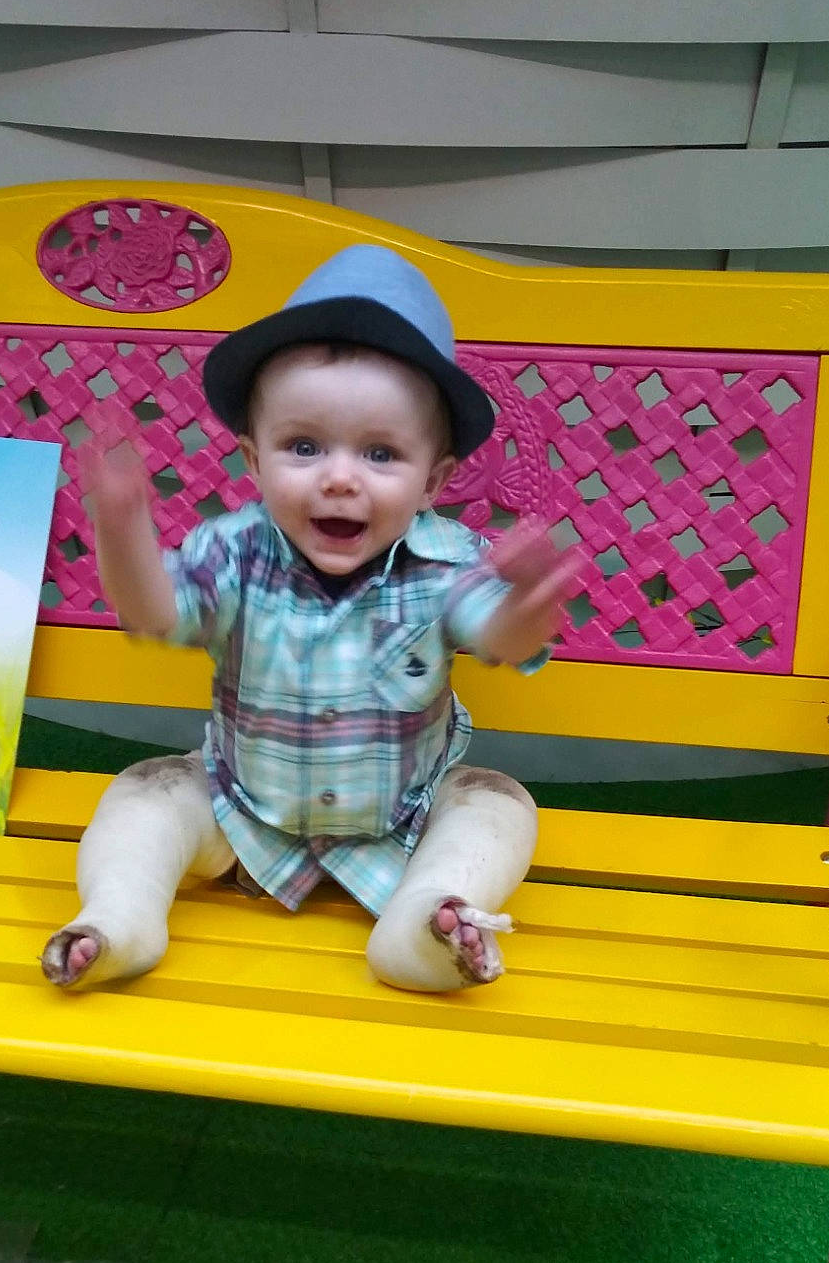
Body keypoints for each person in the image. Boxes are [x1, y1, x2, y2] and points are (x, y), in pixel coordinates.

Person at [40, 245, 572, 996]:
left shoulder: (452, 564)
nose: (340, 476)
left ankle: (425, 920)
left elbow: (499, 638)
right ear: (254, 464)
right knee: (147, 792)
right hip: (236, 812)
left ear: (435, 480)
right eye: (304, 446)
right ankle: (120, 917)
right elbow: (155, 615)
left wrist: (527, 604)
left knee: (497, 802)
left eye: (381, 453)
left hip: (404, 821)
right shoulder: (232, 552)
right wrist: (122, 528)